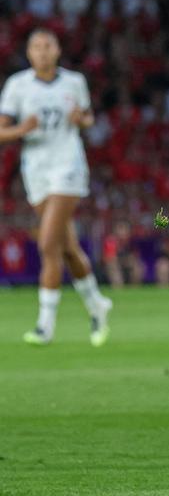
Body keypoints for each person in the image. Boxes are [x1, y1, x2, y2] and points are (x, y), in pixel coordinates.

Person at [0, 28, 112, 346]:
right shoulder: (17, 86)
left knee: (48, 243)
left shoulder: (74, 82)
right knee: (67, 248)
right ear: (29, 53)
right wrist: (22, 128)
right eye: (36, 46)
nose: (43, 51)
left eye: (48, 45)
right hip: (36, 171)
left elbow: (88, 117)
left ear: (58, 50)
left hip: (69, 166)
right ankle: (97, 305)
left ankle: (44, 325)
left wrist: (82, 120)